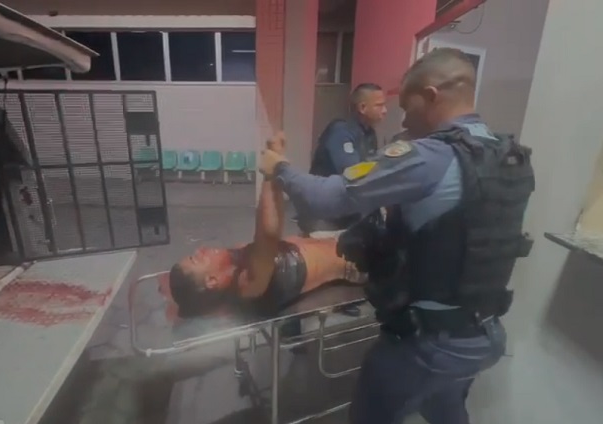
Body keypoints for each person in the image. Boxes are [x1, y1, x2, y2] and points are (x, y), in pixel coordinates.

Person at [259, 47, 535, 423]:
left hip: (429, 343)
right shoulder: (507, 154)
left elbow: (328, 197)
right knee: (445, 408)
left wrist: (280, 169)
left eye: (407, 107)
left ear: (431, 96)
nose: (403, 119)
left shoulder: (430, 157)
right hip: (484, 334)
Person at [162, 134, 364, 320]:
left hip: (337, 241)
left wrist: (275, 168)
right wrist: (271, 171)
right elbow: (268, 234)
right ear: (212, 281)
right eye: (197, 258)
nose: (201, 249)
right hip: (357, 260)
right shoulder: (247, 283)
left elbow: (269, 231)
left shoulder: (236, 260)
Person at [299, 83, 387, 317]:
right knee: (314, 265)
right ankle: (292, 322)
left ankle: (341, 301)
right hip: (323, 211)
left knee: (345, 257)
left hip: (347, 209)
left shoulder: (369, 134)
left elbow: (372, 168)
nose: (385, 110)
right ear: (362, 107)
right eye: (380, 105)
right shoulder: (340, 132)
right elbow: (353, 171)